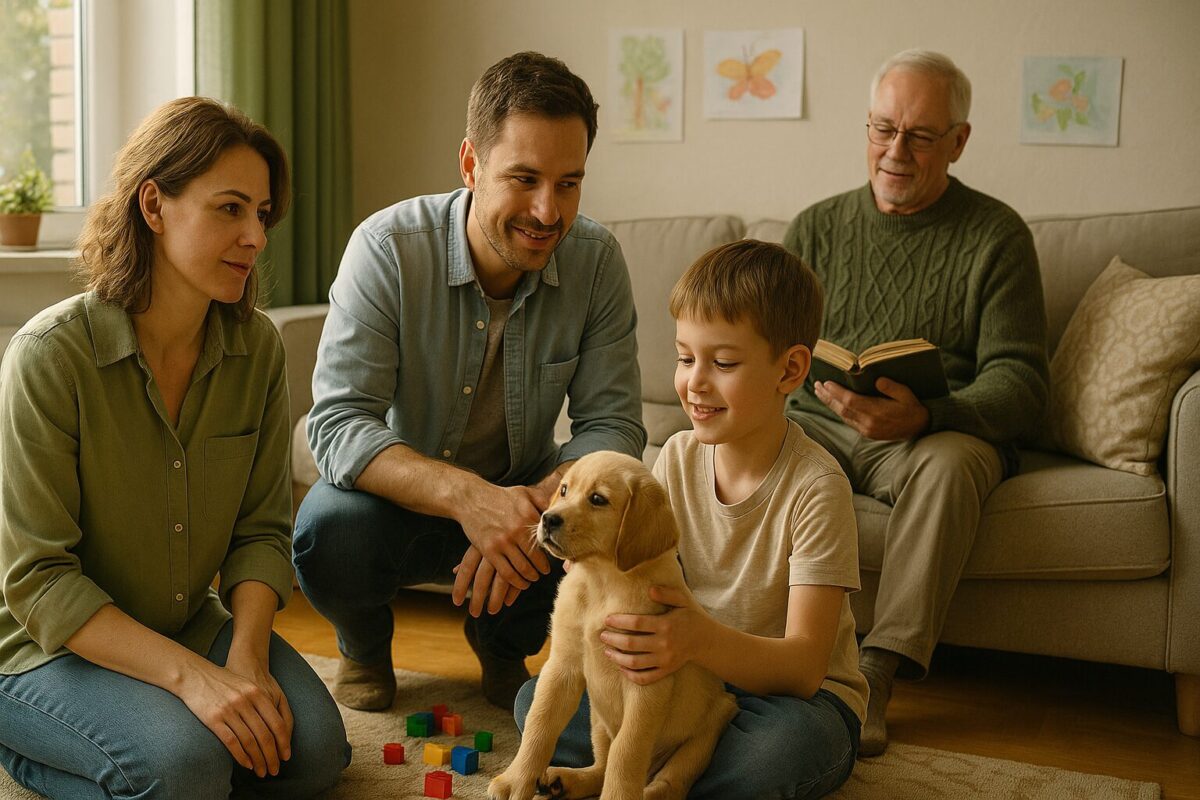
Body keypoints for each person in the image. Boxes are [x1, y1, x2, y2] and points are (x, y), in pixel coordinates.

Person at [0, 97, 349, 799]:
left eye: (262, 213)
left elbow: (260, 531)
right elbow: (39, 580)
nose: (255, 235)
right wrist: (194, 681)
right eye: (229, 209)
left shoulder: (256, 350)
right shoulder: (50, 357)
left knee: (311, 755)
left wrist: (244, 665)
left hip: (188, 624)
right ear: (153, 205)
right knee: (187, 768)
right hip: (42, 648)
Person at [293, 51, 645, 712]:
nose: (548, 211)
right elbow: (338, 426)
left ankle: (503, 646)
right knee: (327, 531)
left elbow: (614, 426)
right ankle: (363, 645)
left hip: (527, 502)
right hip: (396, 505)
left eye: (569, 183)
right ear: (469, 164)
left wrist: (531, 508)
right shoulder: (386, 249)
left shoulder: (596, 261)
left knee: (617, 532)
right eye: (525, 178)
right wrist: (468, 498)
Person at [515, 240, 866, 799]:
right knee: (533, 702)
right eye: (684, 358)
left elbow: (804, 668)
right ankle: (638, 774)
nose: (695, 383)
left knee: (777, 757)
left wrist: (697, 641)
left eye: (723, 363)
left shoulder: (817, 488)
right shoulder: (676, 457)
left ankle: (662, 773)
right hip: (686, 682)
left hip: (795, 699)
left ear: (790, 369)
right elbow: (629, 570)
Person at [783, 49, 1050, 755]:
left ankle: (874, 674)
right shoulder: (814, 228)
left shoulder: (998, 236)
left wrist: (929, 414)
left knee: (954, 464)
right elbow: (769, 347)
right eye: (882, 129)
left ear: (959, 141)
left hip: (931, 437)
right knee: (740, 447)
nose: (895, 152)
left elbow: (1021, 381)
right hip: (820, 423)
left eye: (920, 136)